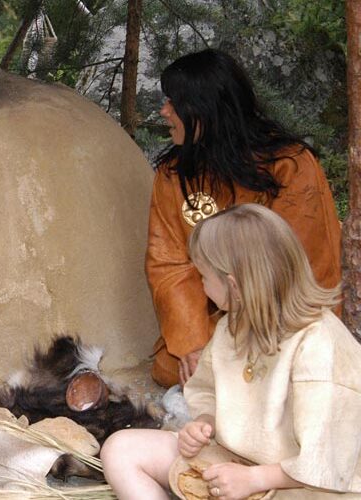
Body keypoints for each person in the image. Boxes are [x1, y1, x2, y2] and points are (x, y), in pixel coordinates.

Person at [103, 204, 361, 499]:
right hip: (238, 465)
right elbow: (207, 391)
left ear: (234, 286)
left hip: (308, 487)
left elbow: (327, 461)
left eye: (203, 276)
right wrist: (203, 425)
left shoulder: (319, 343)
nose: (200, 285)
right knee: (121, 450)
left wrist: (254, 479)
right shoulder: (232, 327)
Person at [146, 48, 341, 388]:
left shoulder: (291, 166)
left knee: (277, 370)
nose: (164, 112)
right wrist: (193, 343)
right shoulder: (173, 175)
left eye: (173, 103)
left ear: (204, 110)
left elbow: (303, 269)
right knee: (169, 366)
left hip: (280, 322)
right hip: (216, 323)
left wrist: (242, 342)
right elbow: (168, 266)